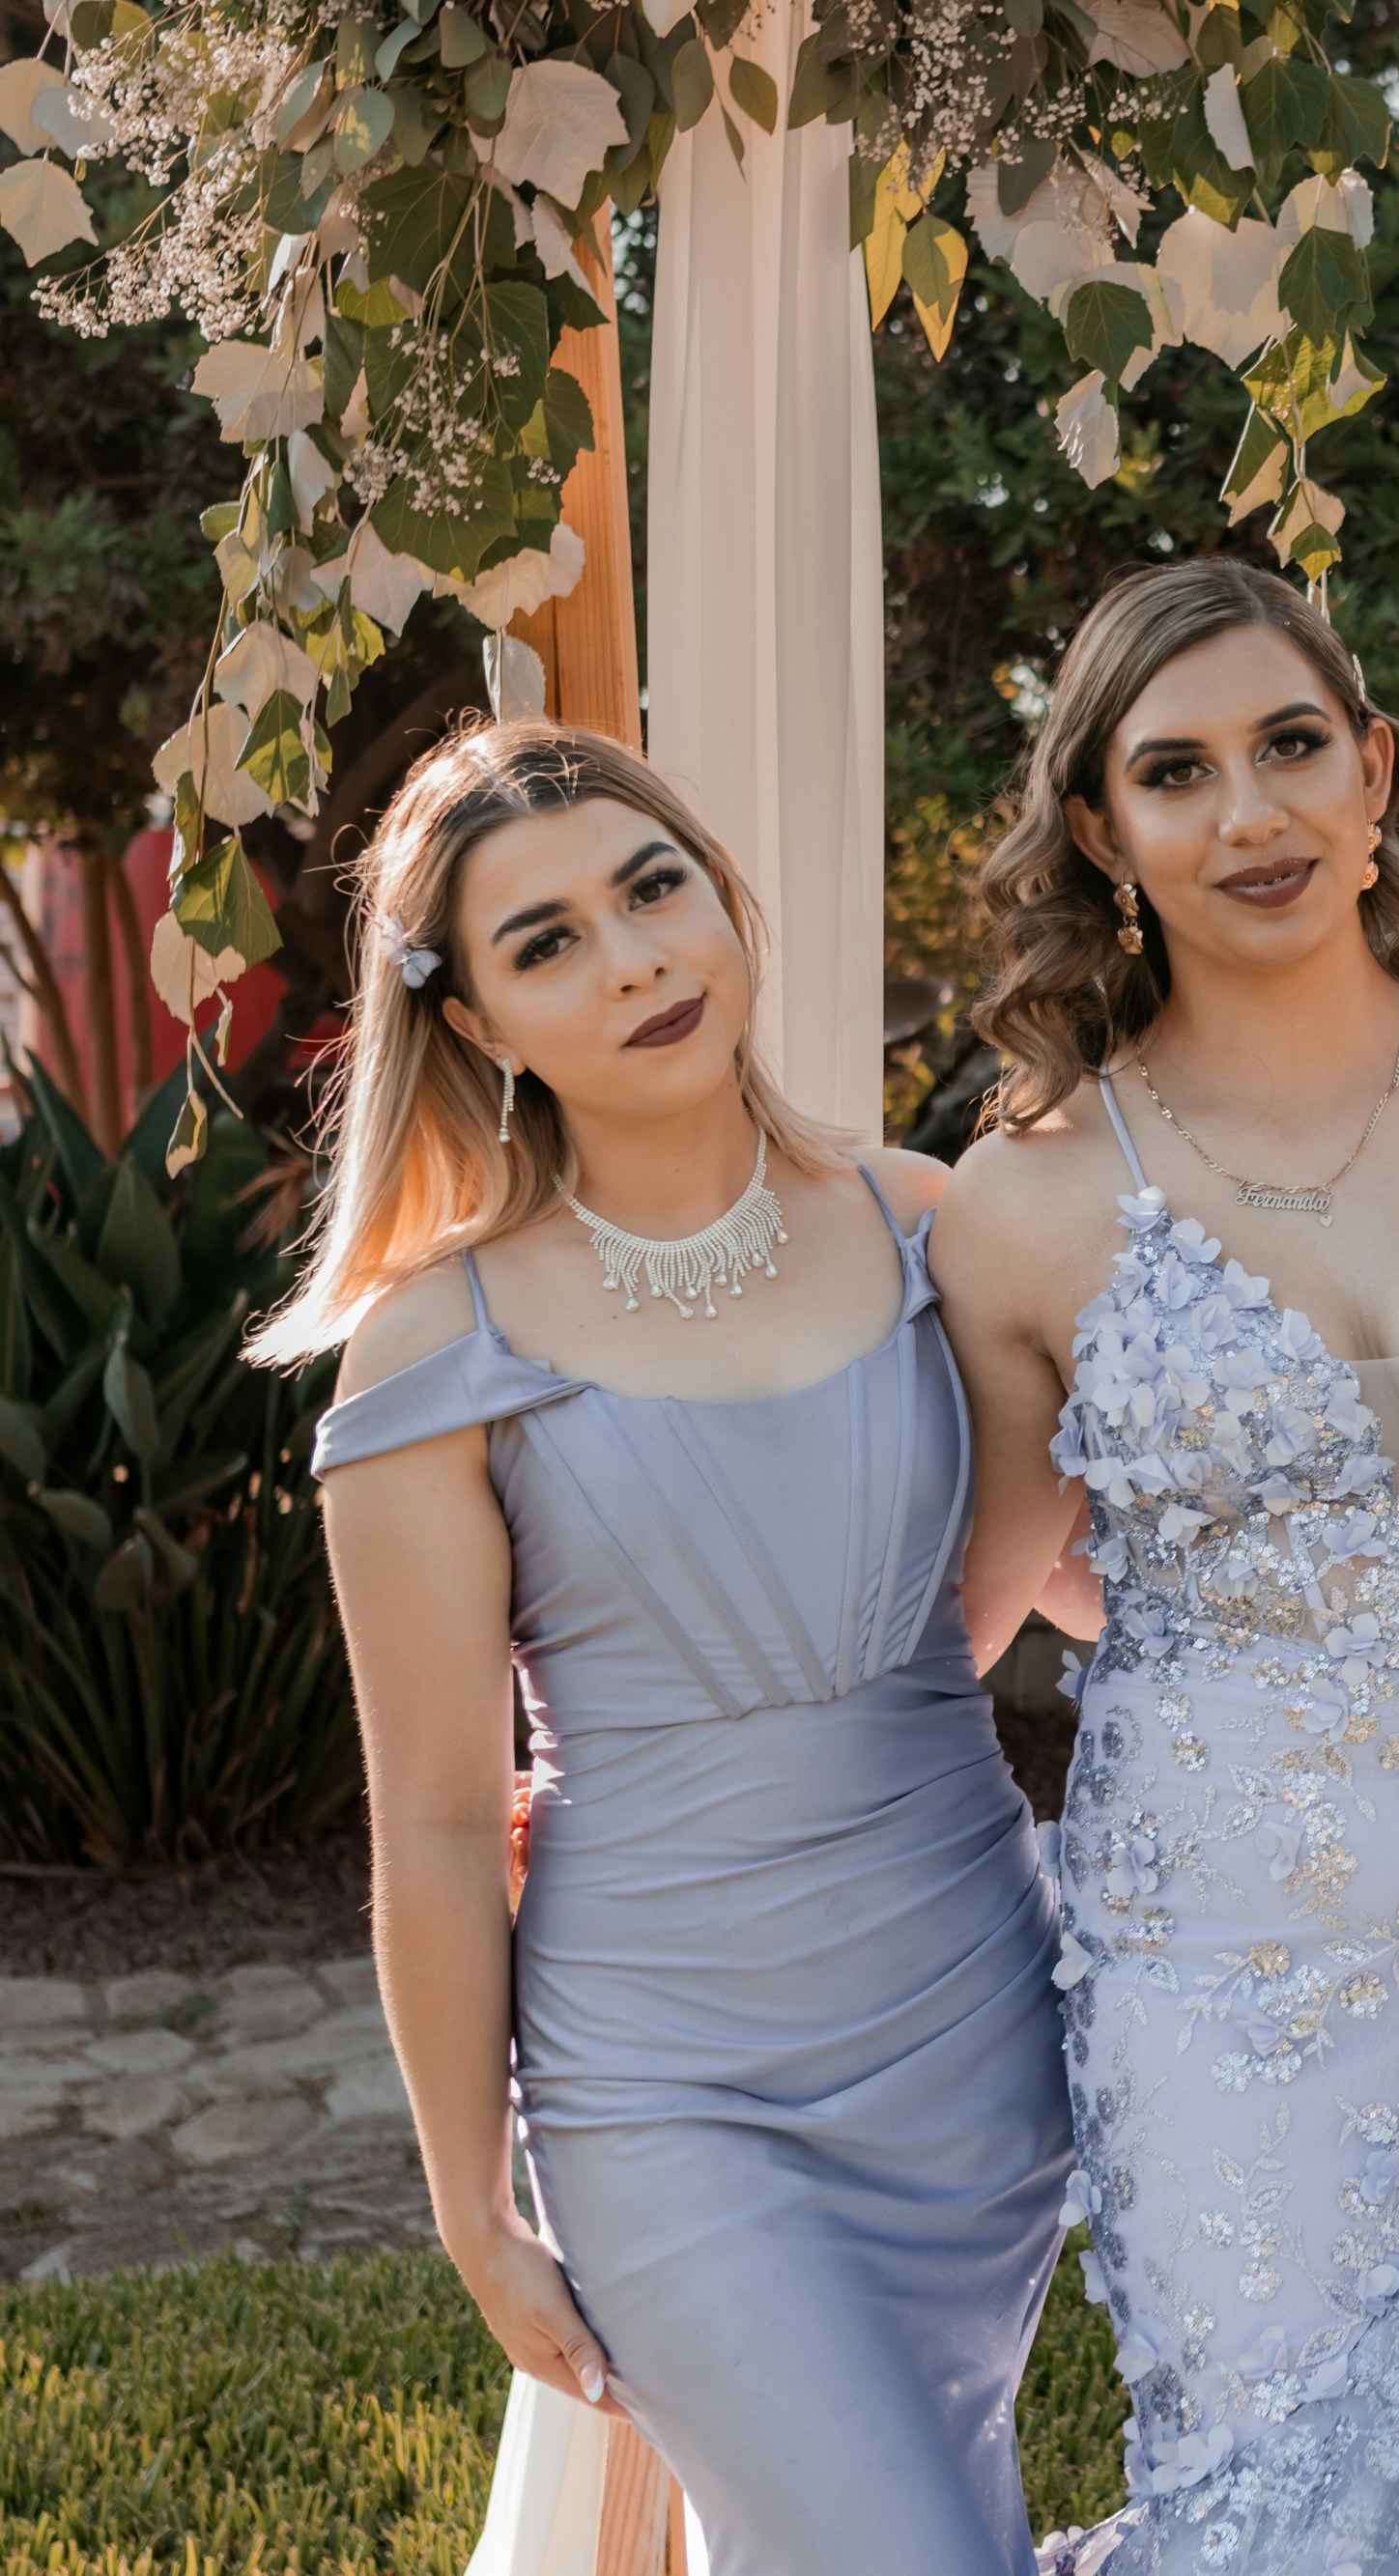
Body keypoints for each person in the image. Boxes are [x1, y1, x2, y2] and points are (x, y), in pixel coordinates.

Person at [932, 559, 1399, 2576]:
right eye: (1175, 771)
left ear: (1373, 771)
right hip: (1234, 1964)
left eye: (1288, 747)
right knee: (1289, 2493)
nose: (1247, 814)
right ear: (1101, 832)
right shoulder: (1028, 1203)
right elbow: (989, 1606)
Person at [276, 722, 1071, 2574]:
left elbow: (1048, 1584)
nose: (632, 959)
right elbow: (444, 1832)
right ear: (473, 1022)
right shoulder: (432, 1354)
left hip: (969, 2029)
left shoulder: (929, 1225)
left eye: (653, 891)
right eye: (543, 942)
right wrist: (475, 2208)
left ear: (729, 903)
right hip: (665, 2085)